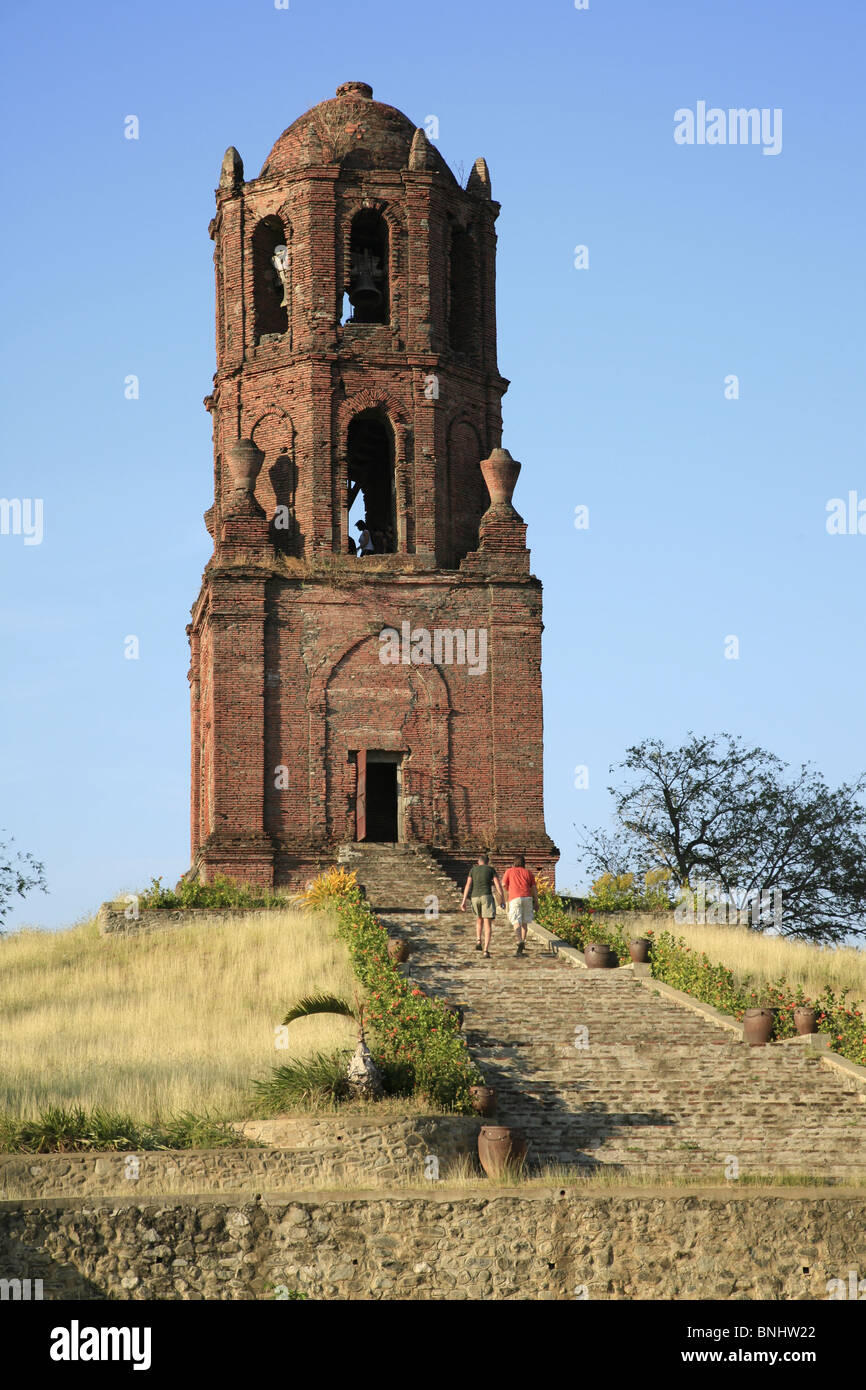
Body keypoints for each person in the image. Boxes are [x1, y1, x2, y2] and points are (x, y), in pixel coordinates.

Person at [460, 853, 504, 958]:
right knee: (487, 923)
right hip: (486, 896)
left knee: (479, 919)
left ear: (478, 862)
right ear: (487, 862)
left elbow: (468, 885)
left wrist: (464, 901)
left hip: (475, 897)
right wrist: (502, 899)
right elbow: (498, 885)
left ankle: (478, 940)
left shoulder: (473, 870)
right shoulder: (490, 869)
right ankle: (485, 950)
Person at [501, 853, 538, 956]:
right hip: (527, 897)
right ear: (524, 863)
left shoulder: (509, 871)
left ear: (514, 863)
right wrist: (536, 902)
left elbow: (503, 884)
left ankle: (519, 940)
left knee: (516, 921)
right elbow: (534, 888)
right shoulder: (528, 873)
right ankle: (524, 941)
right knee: (524, 922)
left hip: (515, 897)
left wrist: (508, 891)